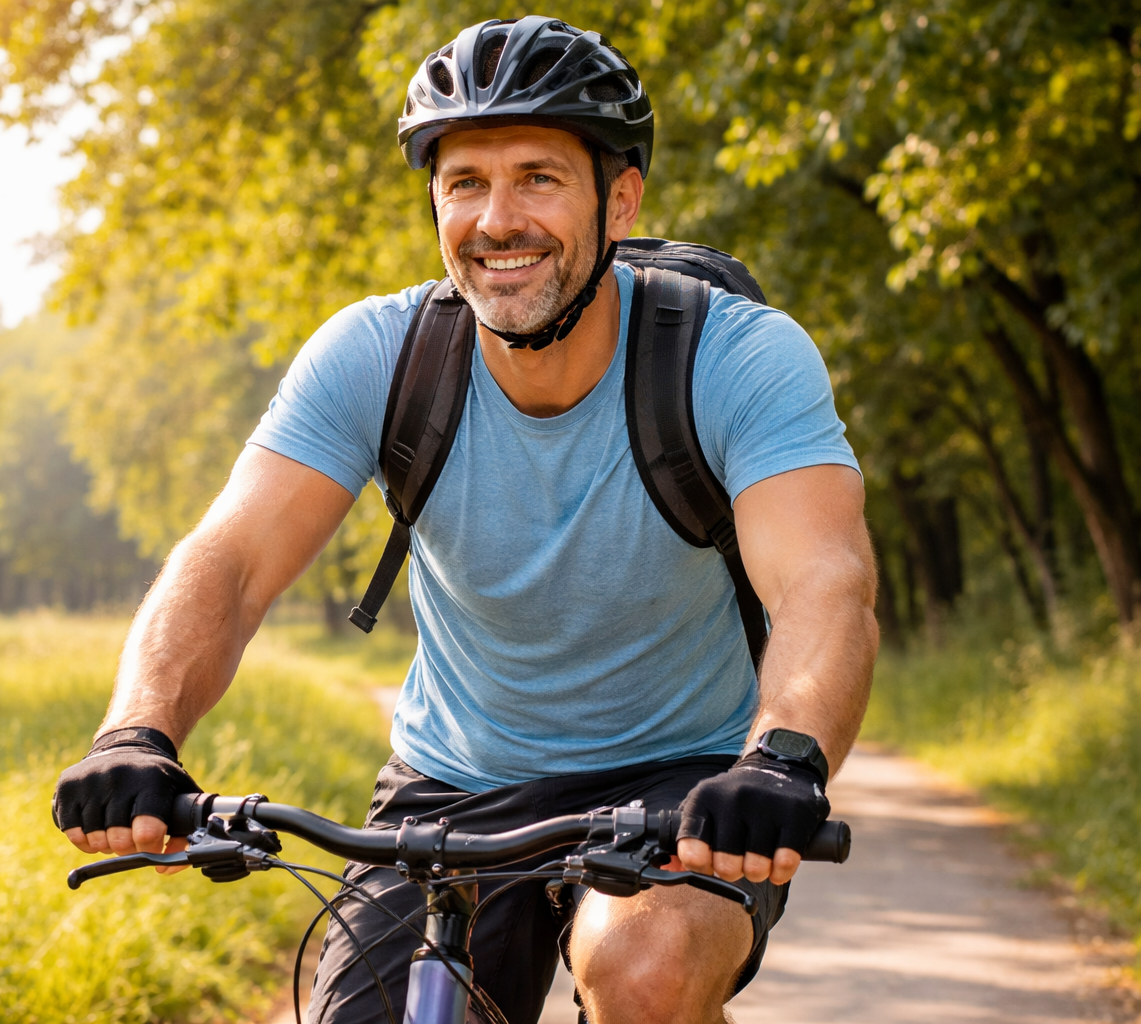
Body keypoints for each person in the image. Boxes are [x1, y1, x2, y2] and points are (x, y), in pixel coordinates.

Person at [52, 15, 878, 1024]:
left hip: (688, 780)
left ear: (619, 200)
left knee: (645, 970)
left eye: (538, 176)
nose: (497, 220)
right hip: (454, 781)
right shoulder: (378, 356)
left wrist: (782, 758)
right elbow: (228, 562)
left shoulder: (734, 358)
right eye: (465, 184)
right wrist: (136, 731)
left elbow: (824, 579)